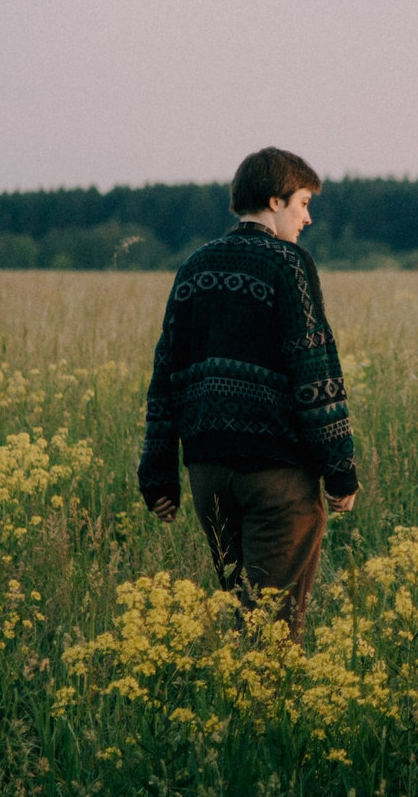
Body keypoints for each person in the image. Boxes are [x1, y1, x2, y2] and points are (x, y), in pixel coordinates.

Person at [138, 146, 358, 637]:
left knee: (243, 612)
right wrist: (340, 471)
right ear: (276, 201)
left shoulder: (195, 266)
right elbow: (315, 375)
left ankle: (233, 703)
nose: (308, 217)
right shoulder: (288, 264)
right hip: (274, 478)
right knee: (270, 632)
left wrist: (158, 475)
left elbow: (165, 374)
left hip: (207, 476)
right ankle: (260, 712)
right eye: (303, 202)